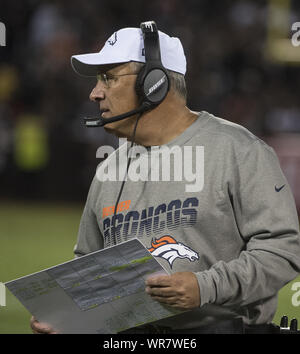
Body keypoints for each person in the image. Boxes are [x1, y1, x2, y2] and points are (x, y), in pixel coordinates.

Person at [31, 21, 300, 334]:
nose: (95, 93)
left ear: (153, 83)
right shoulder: (109, 170)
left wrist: (206, 287)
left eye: (109, 77)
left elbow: (283, 250)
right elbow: (91, 275)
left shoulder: (239, 150)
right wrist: (71, 319)